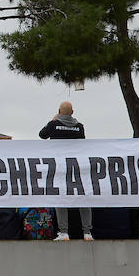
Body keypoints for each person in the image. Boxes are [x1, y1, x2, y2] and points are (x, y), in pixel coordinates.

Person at [38, 102, 92, 241]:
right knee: (83, 198)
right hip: (76, 167)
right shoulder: (80, 127)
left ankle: (64, 232)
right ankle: (87, 232)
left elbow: (42, 135)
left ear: (59, 111)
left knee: (60, 198)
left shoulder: (53, 125)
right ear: (72, 112)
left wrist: (53, 120)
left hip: (59, 167)